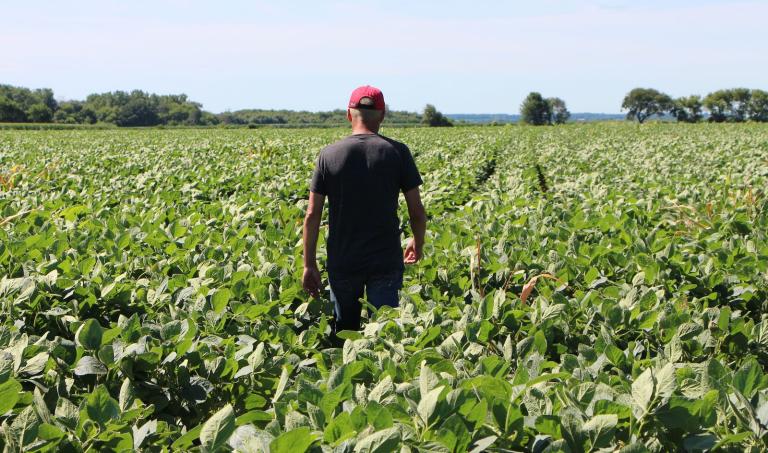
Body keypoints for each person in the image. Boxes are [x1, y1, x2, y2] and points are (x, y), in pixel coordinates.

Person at [302, 85, 427, 333]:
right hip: (385, 259)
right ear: (382, 115)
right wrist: (417, 241)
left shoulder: (328, 155)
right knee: (386, 335)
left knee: (345, 335)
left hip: (343, 259)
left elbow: (312, 215)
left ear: (349, 114)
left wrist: (309, 264)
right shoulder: (398, 152)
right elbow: (417, 211)